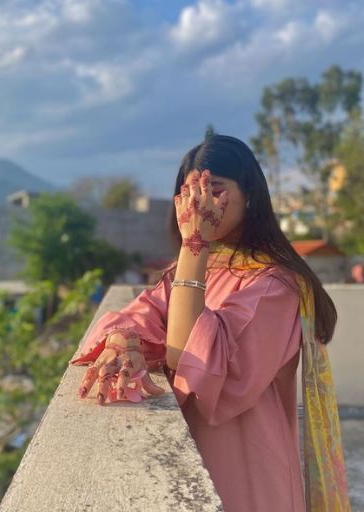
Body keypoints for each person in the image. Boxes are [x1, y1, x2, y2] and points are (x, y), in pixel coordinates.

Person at [69, 134, 350, 512]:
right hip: (186, 455)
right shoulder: (193, 271)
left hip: (248, 470)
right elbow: (141, 314)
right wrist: (124, 339)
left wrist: (193, 245)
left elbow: (191, 359)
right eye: (190, 192)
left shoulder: (276, 286)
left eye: (215, 190)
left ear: (249, 196)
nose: (200, 204)